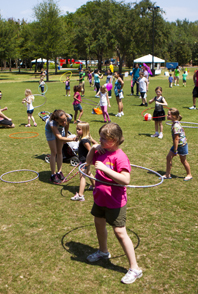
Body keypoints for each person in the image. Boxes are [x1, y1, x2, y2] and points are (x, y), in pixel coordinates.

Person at [85, 123, 142, 284]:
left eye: (103, 138)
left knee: (119, 232)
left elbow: (126, 180)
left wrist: (105, 169)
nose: (100, 140)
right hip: (100, 198)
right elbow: (88, 163)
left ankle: (135, 268)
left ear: (114, 140)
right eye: (100, 137)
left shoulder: (120, 156)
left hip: (115, 201)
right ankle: (103, 251)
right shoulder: (101, 151)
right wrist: (93, 149)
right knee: (98, 223)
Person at [45, 109, 76, 184]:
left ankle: (59, 172)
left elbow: (67, 125)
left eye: (65, 120)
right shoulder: (52, 122)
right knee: (54, 152)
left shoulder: (68, 117)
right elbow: (59, 137)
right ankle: (53, 175)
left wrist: (65, 135)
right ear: (56, 120)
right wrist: (72, 139)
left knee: (59, 151)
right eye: (62, 121)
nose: (64, 122)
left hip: (60, 130)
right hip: (50, 132)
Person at [163, 108, 192, 181]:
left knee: (183, 161)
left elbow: (176, 139)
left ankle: (189, 174)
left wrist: (175, 150)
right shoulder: (174, 123)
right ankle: (167, 174)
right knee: (168, 157)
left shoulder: (176, 126)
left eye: (169, 114)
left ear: (174, 116)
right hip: (177, 144)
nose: (167, 115)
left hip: (181, 145)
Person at [70, 122, 97, 202]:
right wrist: (78, 136)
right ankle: (95, 186)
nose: (77, 131)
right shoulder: (87, 137)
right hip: (86, 160)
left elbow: (90, 150)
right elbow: (95, 143)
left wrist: (88, 161)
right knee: (88, 173)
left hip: (84, 161)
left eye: (79, 129)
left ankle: (80, 195)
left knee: (82, 177)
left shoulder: (84, 141)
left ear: (84, 130)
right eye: (76, 129)